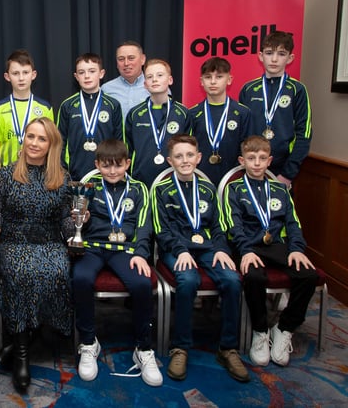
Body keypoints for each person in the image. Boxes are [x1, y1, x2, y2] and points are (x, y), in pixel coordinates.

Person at [151, 134, 249, 383]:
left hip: (207, 248)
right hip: (176, 249)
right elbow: (161, 229)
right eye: (179, 156)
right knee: (188, 280)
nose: (185, 160)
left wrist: (221, 250)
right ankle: (180, 347)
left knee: (232, 280)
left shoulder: (207, 189)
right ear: (170, 160)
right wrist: (180, 249)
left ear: (198, 158)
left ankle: (228, 348)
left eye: (189, 155)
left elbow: (218, 226)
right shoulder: (161, 190)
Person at [0, 117, 73, 391]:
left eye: (41, 138)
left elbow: (64, 217)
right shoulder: (6, 174)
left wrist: (75, 230)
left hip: (49, 241)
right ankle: (22, 356)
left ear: (51, 145)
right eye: (31, 136)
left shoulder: (61, 176)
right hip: (13, 242)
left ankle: (25, 338)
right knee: (22, 273)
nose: (34, 143)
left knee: (57, 270)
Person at [71, 139, 162, 386]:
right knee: (80, 278)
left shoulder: (140, 189)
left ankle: (143, 348)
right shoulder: (87, 187)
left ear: (127, 164)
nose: (112, 171)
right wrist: (83, 219)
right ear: (97, 164)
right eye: (106, 165)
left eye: (118, 165)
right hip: (93, 248)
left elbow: (144, 225)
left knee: (143, 284)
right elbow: (77, 224)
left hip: (126, 250)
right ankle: (89, 343)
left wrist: (141, 254)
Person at [223, 135, 317, 367]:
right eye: (251, 158)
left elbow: (293, 223)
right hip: (246, 247)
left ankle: (284, 328)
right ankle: (260, 330)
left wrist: (296, 249)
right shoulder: (233, 189)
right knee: (254, 276)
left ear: (269, 161)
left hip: (275, 246)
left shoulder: (280, 190)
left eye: (262, 158)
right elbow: (232, 224)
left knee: (308, 275)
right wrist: (245, 250)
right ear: (242, 160)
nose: (256, 163)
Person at [238, 31, 312, 187]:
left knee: (279, 210)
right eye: (269, 53)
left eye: (281, 54)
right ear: (260, 56)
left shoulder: (297, 89)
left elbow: (304, 134)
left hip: (282, 168)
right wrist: (243, 163)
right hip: (250, 165)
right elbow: (241, 131)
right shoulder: (248, 89)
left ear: (290, 58)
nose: (274, 59)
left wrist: (287, 174)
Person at [0, 49, 54, 177]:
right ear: (7, 77)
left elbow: (51, 144)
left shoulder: (45, 108)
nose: (21, 78)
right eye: (15, 73)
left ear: (33, 75)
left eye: (25, 72)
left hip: (38, 174)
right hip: (7, 174)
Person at [124, 59, 191, 187]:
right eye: (149, 77)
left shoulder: (183, 113)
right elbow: (128, 149)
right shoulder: (135, 114)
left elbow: (189, 148)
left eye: (160, 75)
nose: (154, 79)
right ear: (145, 84)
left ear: (170, 80)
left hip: (174, 180)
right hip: (140, 180)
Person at [57, 53, 123, 181]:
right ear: (76, 77)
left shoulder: (113, 105)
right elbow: (60, 141)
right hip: (75, 175)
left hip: (107, 173)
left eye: (92, 71)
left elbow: (119, 141)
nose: (87, 76)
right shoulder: (67, 105)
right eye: (81, 72)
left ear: (101, 73)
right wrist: (63, 170)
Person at [189, 57, 251, 186]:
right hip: (200, 178)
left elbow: (247, 148)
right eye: (208, 77)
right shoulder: (193, 113)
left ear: (229, 80)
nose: (213, 81)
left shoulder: (242, 113)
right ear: (201, 81)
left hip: (234, 179)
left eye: (219, 77)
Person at [102, 41, 148, 115]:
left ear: (142, 59)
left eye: (131, 58)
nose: (126, 63)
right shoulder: (106, 89)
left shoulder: (156, 86)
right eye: (121, 59)